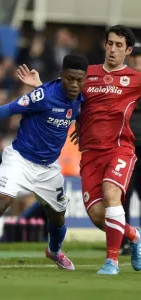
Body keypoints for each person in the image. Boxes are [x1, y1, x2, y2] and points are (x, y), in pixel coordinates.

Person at [0, 53, 88, 269]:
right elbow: (8, 108)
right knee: (0, 201)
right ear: (61, 75)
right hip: (20, 159)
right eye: (70, 79)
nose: (75, 84)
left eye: (80, 80)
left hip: (48, 168)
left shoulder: (81, 98)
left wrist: (81, 125)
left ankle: (54, 251)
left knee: (57, 218)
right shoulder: (42, 95)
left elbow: (82, 114)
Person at [19, 25, 141, 275]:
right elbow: (65, 95)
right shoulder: (89, 73)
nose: (113, 49)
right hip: (90, 153)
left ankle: (112, 262)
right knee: (98, 216)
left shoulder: (136, 79)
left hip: (119, 149)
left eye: (119, 46)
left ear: (128, 50)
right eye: (110, 43)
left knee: (111, 194)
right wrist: (39, 84)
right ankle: (134, 235)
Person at [120, 44, 141, 254]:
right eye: (133, 57)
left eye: (139, 57)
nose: (136, 61)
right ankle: (125, 240)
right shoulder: (123, 83)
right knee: (122, 193)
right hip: (127, 147)